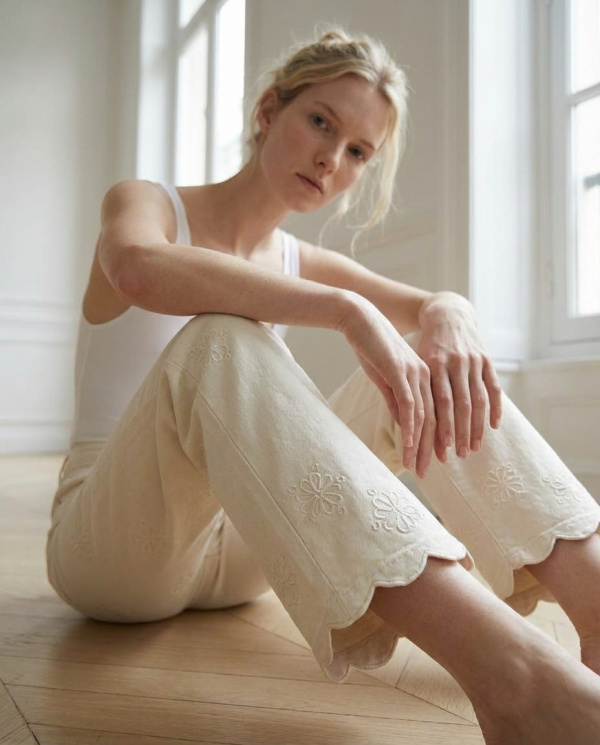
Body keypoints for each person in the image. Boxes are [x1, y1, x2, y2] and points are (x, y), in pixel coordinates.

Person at [47, 28, 600, 743]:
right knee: (221, 338)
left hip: (244, 552)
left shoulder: (294, 257)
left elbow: (431, 304)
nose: (331, 160)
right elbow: (136, 268)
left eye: (358, 152)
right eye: (320, 122)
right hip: (115, 548)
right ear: (268, 110)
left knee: (426, 359)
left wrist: (450, 316)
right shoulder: (145, 203)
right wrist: (347, 309)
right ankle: (517, 678)